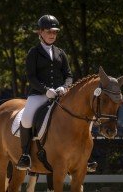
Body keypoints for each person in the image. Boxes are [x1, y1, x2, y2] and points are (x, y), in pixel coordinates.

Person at [16, 14, 73, 170]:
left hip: (60, 96)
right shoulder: (33, 53)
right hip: (39, 95)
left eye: (54, 32)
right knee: (27, 118)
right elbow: (31, 77)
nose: (52, 35)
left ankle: (81, 156)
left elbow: (68, 74)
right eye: (49, 32)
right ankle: (25, 155)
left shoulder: (61, 53)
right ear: (40, 32)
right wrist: (45, 90)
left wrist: (65, 87)